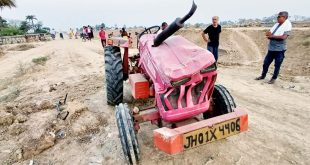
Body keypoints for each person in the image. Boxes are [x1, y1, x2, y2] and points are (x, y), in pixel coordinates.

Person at [255, 11, 292, 84]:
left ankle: (273, 78)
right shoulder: (276, 25)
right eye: (277, 16)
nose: (277, 18)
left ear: (284, 17)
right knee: (265, 63)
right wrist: (270, 35)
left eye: (279, 16)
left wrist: (272, 36)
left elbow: (283, 37)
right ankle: (263, 75)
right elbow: (268, 33)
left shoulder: (287, 25)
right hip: (271, 48)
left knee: (277, 65)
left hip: (280, 49)